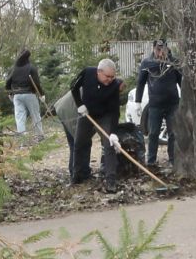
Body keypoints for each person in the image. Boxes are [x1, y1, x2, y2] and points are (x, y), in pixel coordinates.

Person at [68, 57, 124, 191]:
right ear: (99, 72)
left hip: (105, 116)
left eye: (112, 77)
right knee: (79, 143)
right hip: (86, 113)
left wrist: (114, 133)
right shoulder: (87, 73)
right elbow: (73, 87)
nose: (110, 79)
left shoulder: (114, 85)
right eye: (107, 76)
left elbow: (115, 110)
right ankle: (77, 176)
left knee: (109, 145)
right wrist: (79, 105)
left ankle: (111, 181)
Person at [134, 39, 183, 169]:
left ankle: (173, 159)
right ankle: (151, 161)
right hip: (155, 104)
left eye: (163, 50)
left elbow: (181, 81)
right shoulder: (147, 63)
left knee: (173, 133)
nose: (161, 53)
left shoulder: (173, 62)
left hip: (173, 104)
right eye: (158, 49)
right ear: (154, 49)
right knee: (153, 133)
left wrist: (185, 99)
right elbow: (140, 83)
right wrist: (138, 102)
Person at [4, 50, 46, 144]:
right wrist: (41, 94)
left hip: (17, 95)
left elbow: (7, 82)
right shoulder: (31, 68)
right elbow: (36, 83)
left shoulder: (13, 68)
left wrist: (10, 93)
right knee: (35, 115)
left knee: (19, 118)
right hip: (29, 94)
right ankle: (40, 135)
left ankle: (23, 141)